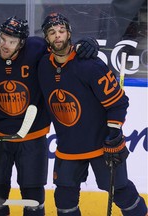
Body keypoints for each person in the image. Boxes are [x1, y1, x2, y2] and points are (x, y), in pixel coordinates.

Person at [0, 16, 99, 216]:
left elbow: (61, 46)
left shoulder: (37, 49)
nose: (6, 45)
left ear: (22, 43)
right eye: (3, 38)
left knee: (33, 201)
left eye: (12, 41)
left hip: (32, 138)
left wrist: (86, 43)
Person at [37, 12, 147, 216]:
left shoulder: (90, 64)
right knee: (64, 201)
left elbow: (119, 102)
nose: (57, 36)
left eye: (61, 31)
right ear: (46, 38)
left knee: (121, 192)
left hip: (102, 146)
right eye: (52, 32)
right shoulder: (43, 66)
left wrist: (114, 133)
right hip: (68, 148)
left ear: (69, 33)